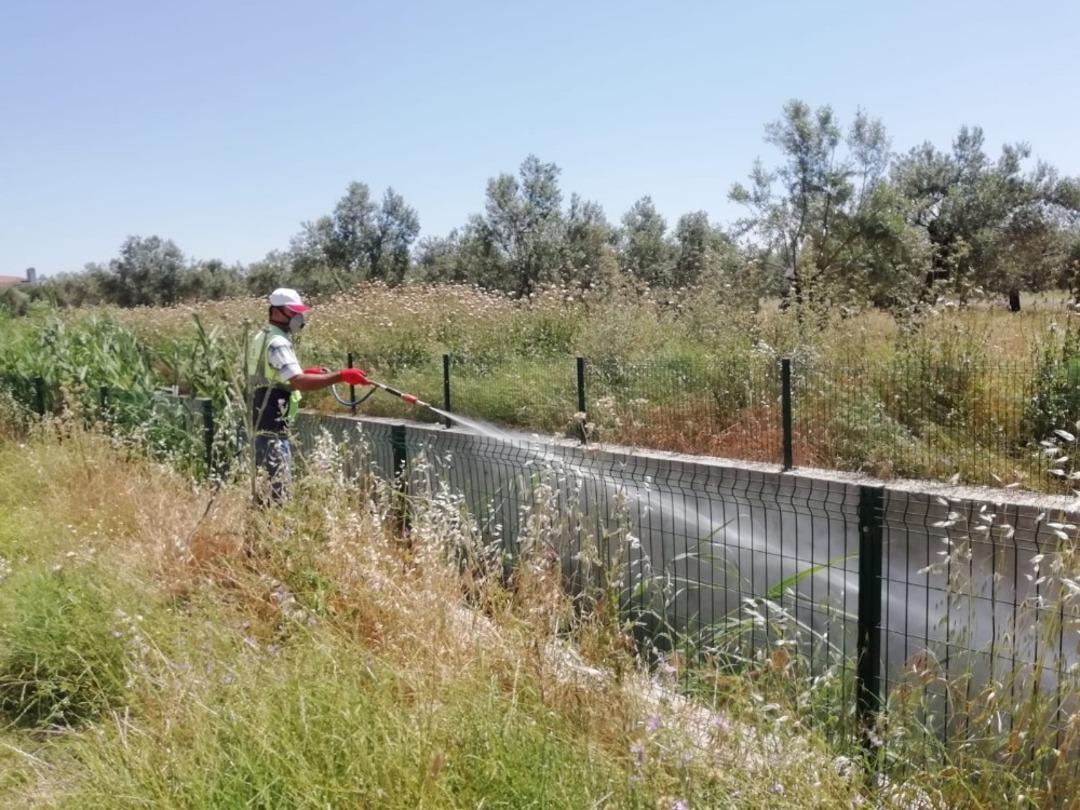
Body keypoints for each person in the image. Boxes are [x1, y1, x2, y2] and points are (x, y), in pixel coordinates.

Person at [247, 287, 368, 504]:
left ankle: (259, 533)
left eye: (299, 312)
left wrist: (303, 373)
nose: (298, 317)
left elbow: (272, 379)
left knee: (263, 496)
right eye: (293, 312)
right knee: (277, 497)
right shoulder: (278, 342)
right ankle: (275, 534)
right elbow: (299, 382)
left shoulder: (261, 336)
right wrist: (341, 375)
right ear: (275, 312)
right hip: (274, 430)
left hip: (259, 424)